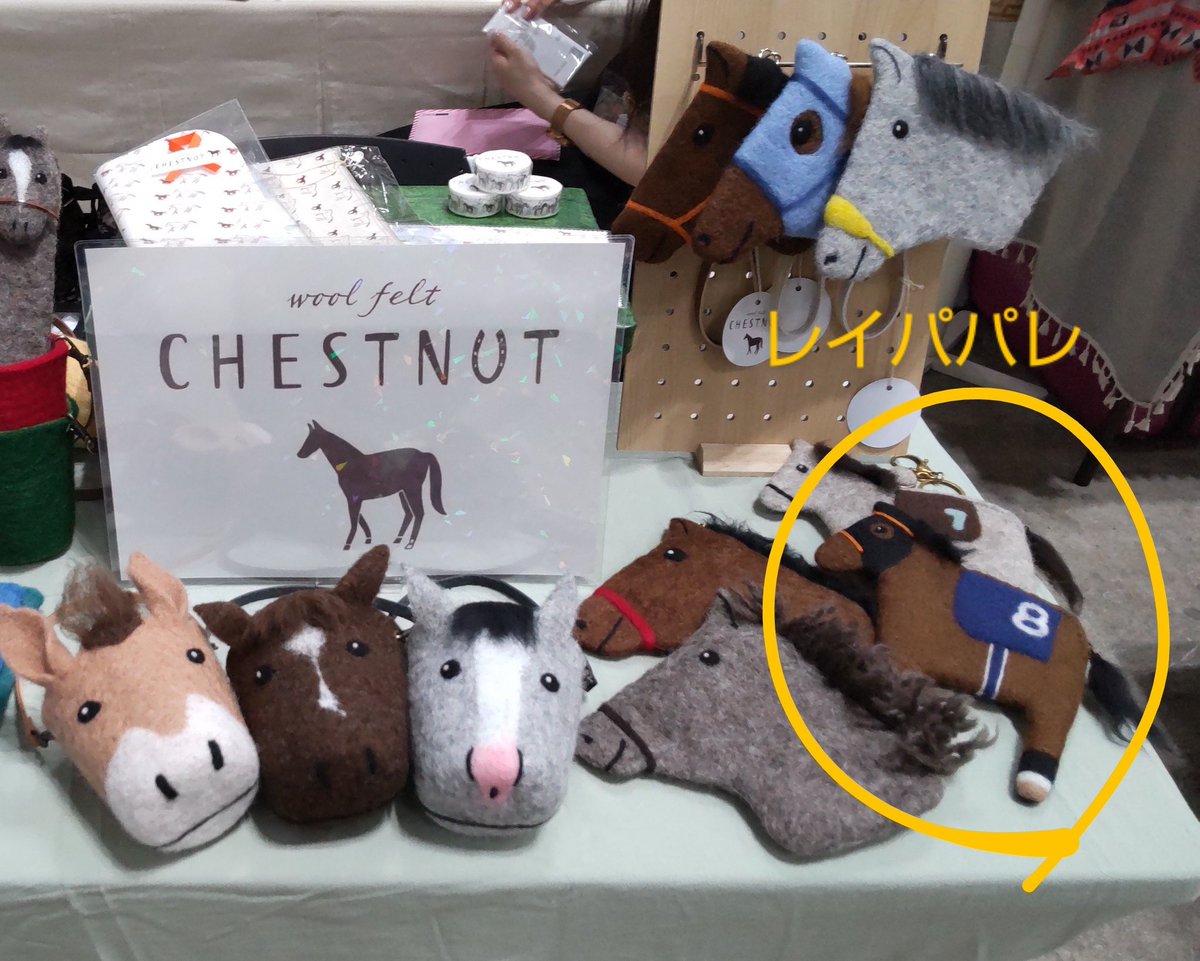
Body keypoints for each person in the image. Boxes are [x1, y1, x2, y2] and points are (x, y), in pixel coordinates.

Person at [488, 0, 662, 223]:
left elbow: (659, 166)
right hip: (594, 134)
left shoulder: (694, 24)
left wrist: (539, 96)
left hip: (617, 190)